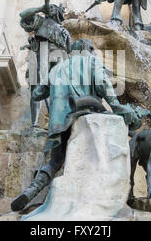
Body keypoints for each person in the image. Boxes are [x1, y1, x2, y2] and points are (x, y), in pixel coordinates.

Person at [11, 39, 141, 211]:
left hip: (59, 123)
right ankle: (102, 195)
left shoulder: (57, 68)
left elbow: (37, 94)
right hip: (85, 112)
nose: (94, 54)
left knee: (55, 161)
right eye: (93, 51)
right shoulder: (91, 61)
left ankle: (32, 189)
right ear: (88, 49)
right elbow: (102, 83)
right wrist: (117, 106)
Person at [20, 0, 72, 129]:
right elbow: (23, 15)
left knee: (59, 89)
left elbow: (69, 51)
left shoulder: (64, 31)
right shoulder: (41, 21)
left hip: (59, 58)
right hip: (41, 55)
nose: (51, 9)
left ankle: (58, 121)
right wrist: (40, 8)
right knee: (36, 88)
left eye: (53, 8)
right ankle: (35, 123)